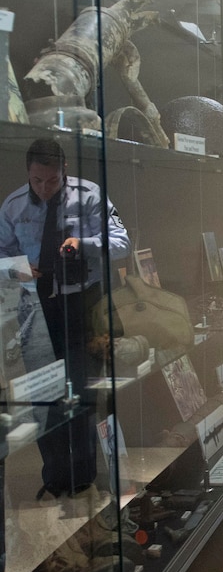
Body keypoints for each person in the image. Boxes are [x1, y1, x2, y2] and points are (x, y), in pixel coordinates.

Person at [0, 138, 131, 499]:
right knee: (45, 397)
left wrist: (82, 243)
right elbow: (1, 256)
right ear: (29, 173)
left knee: (83, 391)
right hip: (37, 311)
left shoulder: (88, 196)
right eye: (37, 181)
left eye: (52, 181)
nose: (44, 188)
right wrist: (17, 270)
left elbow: (122, 243)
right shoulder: (12, 206)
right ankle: (56, 478)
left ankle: (83, 476)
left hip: (82, 306)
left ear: (64, 172)